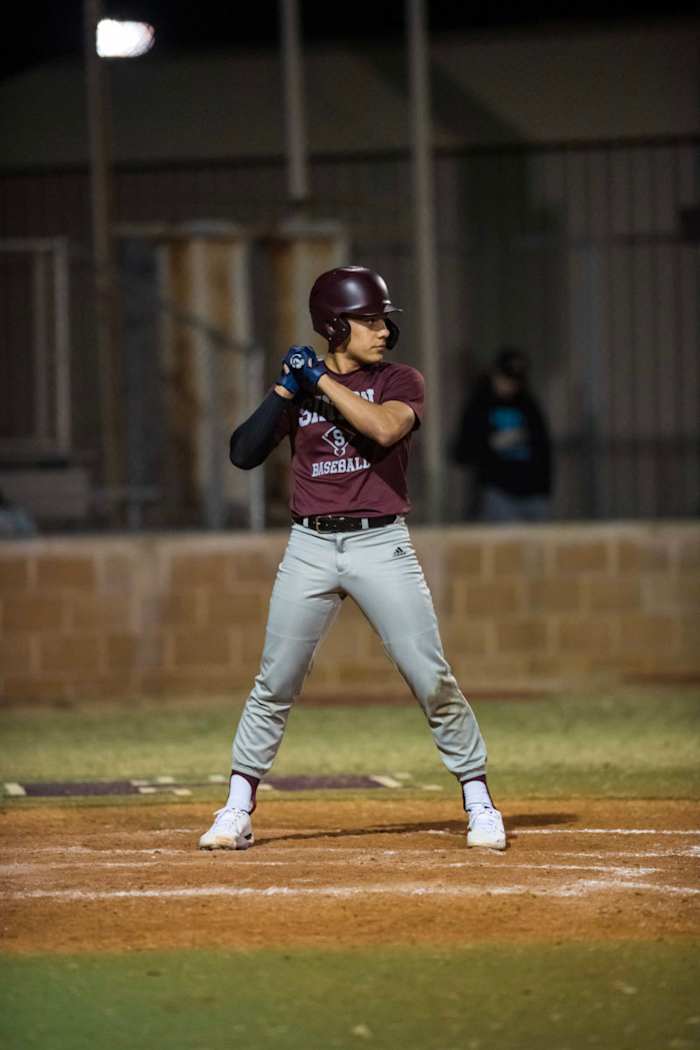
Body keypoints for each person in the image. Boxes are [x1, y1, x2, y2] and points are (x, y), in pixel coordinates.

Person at [199, 266, 505, 852]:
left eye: (381, 318)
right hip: (309, 546)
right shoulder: (305, 384)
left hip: (380, 542)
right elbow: (242, 453)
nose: (383, 329)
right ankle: (236, 807)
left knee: (429, 674)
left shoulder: (400, 380)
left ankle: (479, 801)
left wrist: (319, 380)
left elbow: (383, 429)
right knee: (275, 681)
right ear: (333, 325)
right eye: (368, 319)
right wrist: (287, 388)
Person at [452, 347, 552, 523]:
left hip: (533, 492)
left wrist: (545, 486)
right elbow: (462, 451)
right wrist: (489, 445)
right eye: (506, 379)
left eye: (515, 381)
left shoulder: (528, 405)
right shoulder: (480, 405)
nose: (510, 386)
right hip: (498, 492)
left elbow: (543, 447)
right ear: (495, 375)